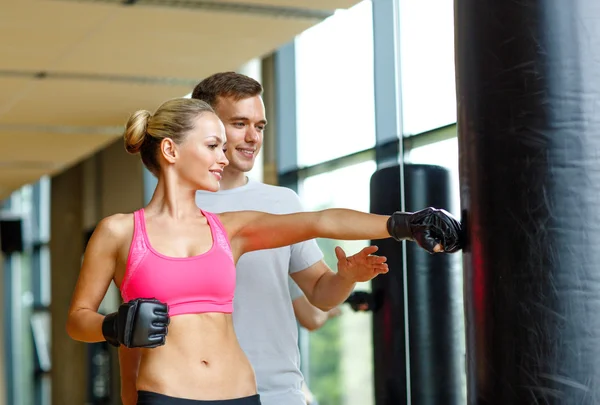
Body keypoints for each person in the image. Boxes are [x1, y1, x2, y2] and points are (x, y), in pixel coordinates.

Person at [66, 97, 462, 405]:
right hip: (166, 394)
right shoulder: (118, 232)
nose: (224, 158)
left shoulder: (231, 230)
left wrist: (404, 224)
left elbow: (320, 221)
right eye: (212, 146)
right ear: (171, 150)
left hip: (240, 392)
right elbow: (77, 319)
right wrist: (112, 326)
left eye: (224, 147)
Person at [118, 72, 397, 405]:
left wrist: (346, 277)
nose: (252, 137)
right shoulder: (164, 219)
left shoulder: (281, 202)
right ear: (206, 126)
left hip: (279, 392)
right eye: (239, 124)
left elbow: (321, 295)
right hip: (189, 394)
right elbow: (133, 331)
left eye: (259, 126)